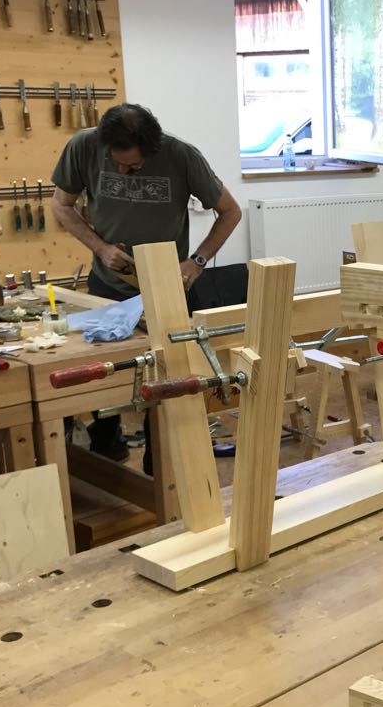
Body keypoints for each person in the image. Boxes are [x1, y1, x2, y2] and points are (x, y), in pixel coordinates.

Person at [51, 103, 242, 461]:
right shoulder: (84, 146)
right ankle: (107, 449)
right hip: (108, 284)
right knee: (104, 375)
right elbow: (61, 205)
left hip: (168, 287)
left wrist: (197, 262)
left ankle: (164, 465)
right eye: (117, 163)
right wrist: (100, 248)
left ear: (152, 149)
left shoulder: (182, 156)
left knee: (169, 377)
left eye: (134, 166)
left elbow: (231, 211)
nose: (124, 171)